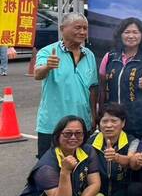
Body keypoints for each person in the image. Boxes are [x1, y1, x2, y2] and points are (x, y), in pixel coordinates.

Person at [33, 13, 99, 157]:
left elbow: (93, 87)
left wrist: (93, 116)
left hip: (81, 126)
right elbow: (38, 74)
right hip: (52, 126)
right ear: (63, 28)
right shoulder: (48, 52)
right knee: (49, 169)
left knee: (80, 167)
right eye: (77, 28)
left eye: (85, 28)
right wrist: (47, 67)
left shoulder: (89, 55)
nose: (82, 32)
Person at [98, 17, 142, 139]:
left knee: (136, 156)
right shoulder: (110, 57)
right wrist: (100, 113)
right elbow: (102, 88)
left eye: (135, 32)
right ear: (120, 35)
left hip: (140, 124)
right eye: (127, 32)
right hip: (112, 122)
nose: (131, 36)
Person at [87, 103, 137, 196]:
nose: (109, 125)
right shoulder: (89, 144)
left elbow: (131, 160)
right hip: (99, 195)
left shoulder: (132, 141)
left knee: (134, 190)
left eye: (114, 121)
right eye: (104, 121)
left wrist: (116, 158)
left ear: (123, 123)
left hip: (122, 195)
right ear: (99, 124)